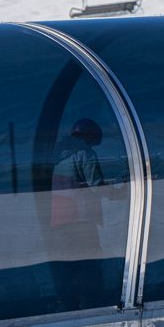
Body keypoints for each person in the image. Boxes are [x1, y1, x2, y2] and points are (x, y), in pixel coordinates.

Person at [48, 118, 110, 306]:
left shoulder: (59, 153)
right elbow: (97, 186)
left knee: (69, 263)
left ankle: (70, 302)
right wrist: (120, 191)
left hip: (60, 218)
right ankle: (93, 301)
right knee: (90, 261)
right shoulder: (86, 153)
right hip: (81, 218)